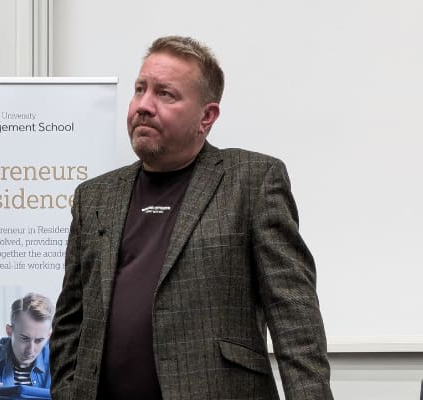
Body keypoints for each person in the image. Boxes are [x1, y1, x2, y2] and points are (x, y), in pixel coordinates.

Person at [50, 36, 333, 400]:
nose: (144, 106)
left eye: (165, 94)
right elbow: (71, 318)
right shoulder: (95, 197)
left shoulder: (251, 180)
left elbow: (295, 316)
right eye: (140, 89)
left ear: (207, 116)